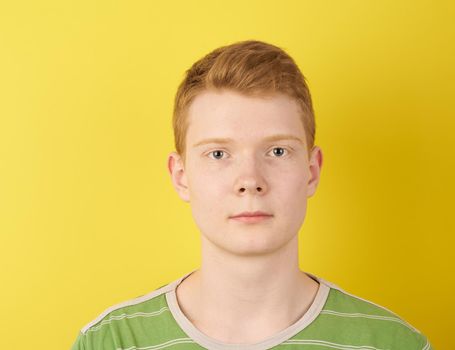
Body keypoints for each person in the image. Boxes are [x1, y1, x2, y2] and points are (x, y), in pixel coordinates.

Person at [71, 40, 433, 350]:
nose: (250, 181)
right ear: (181, 176)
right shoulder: (112, 341)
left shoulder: (391, 343)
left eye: (277, 151)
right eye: (218, 154)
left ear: (312, 171)